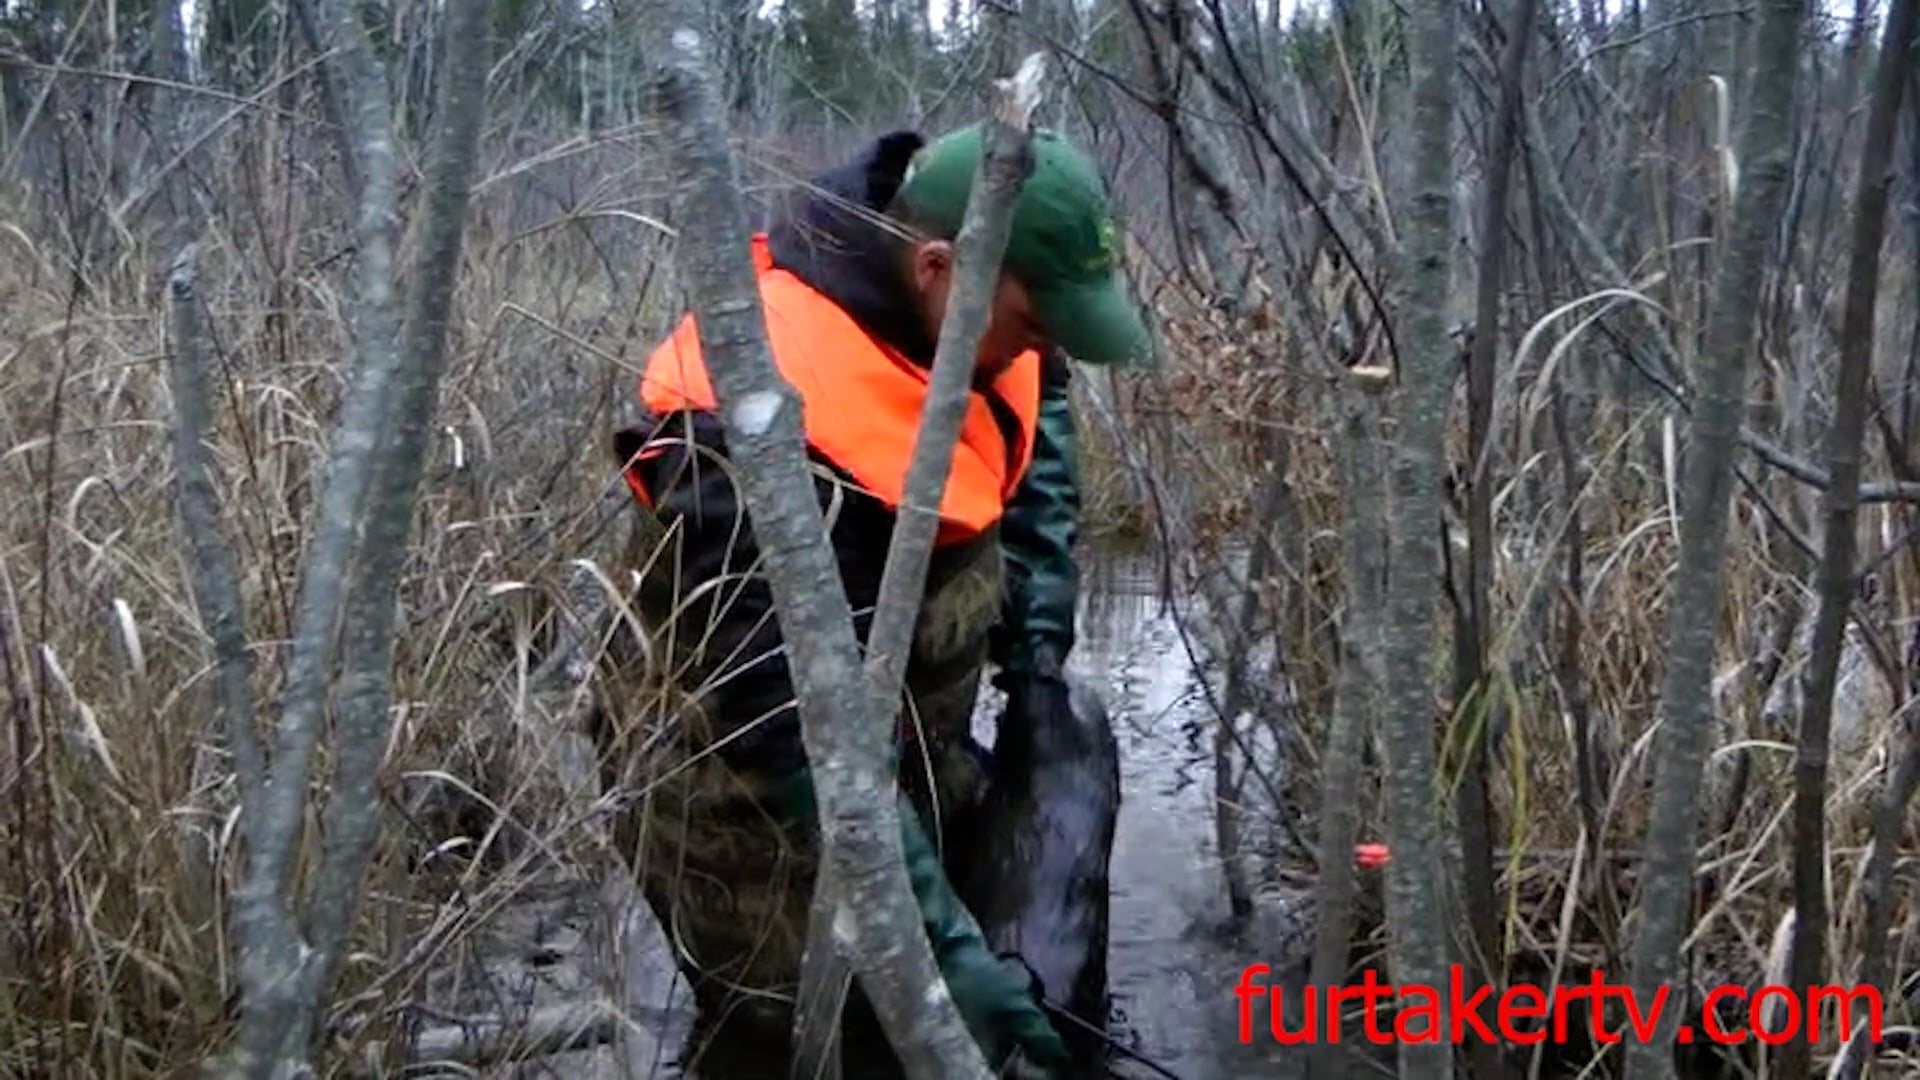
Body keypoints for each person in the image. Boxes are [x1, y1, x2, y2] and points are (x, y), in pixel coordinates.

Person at [595, 122, 1154, 1078]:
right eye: (1037, 322)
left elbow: (1039, 411)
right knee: (817, 1039)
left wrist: (1037, 654)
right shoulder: (745, 426)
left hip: (902, 735)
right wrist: (942, 947)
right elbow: (786, 716)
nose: (1046, 345)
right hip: (743, 794)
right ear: (939, 268)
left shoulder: (985, 305)